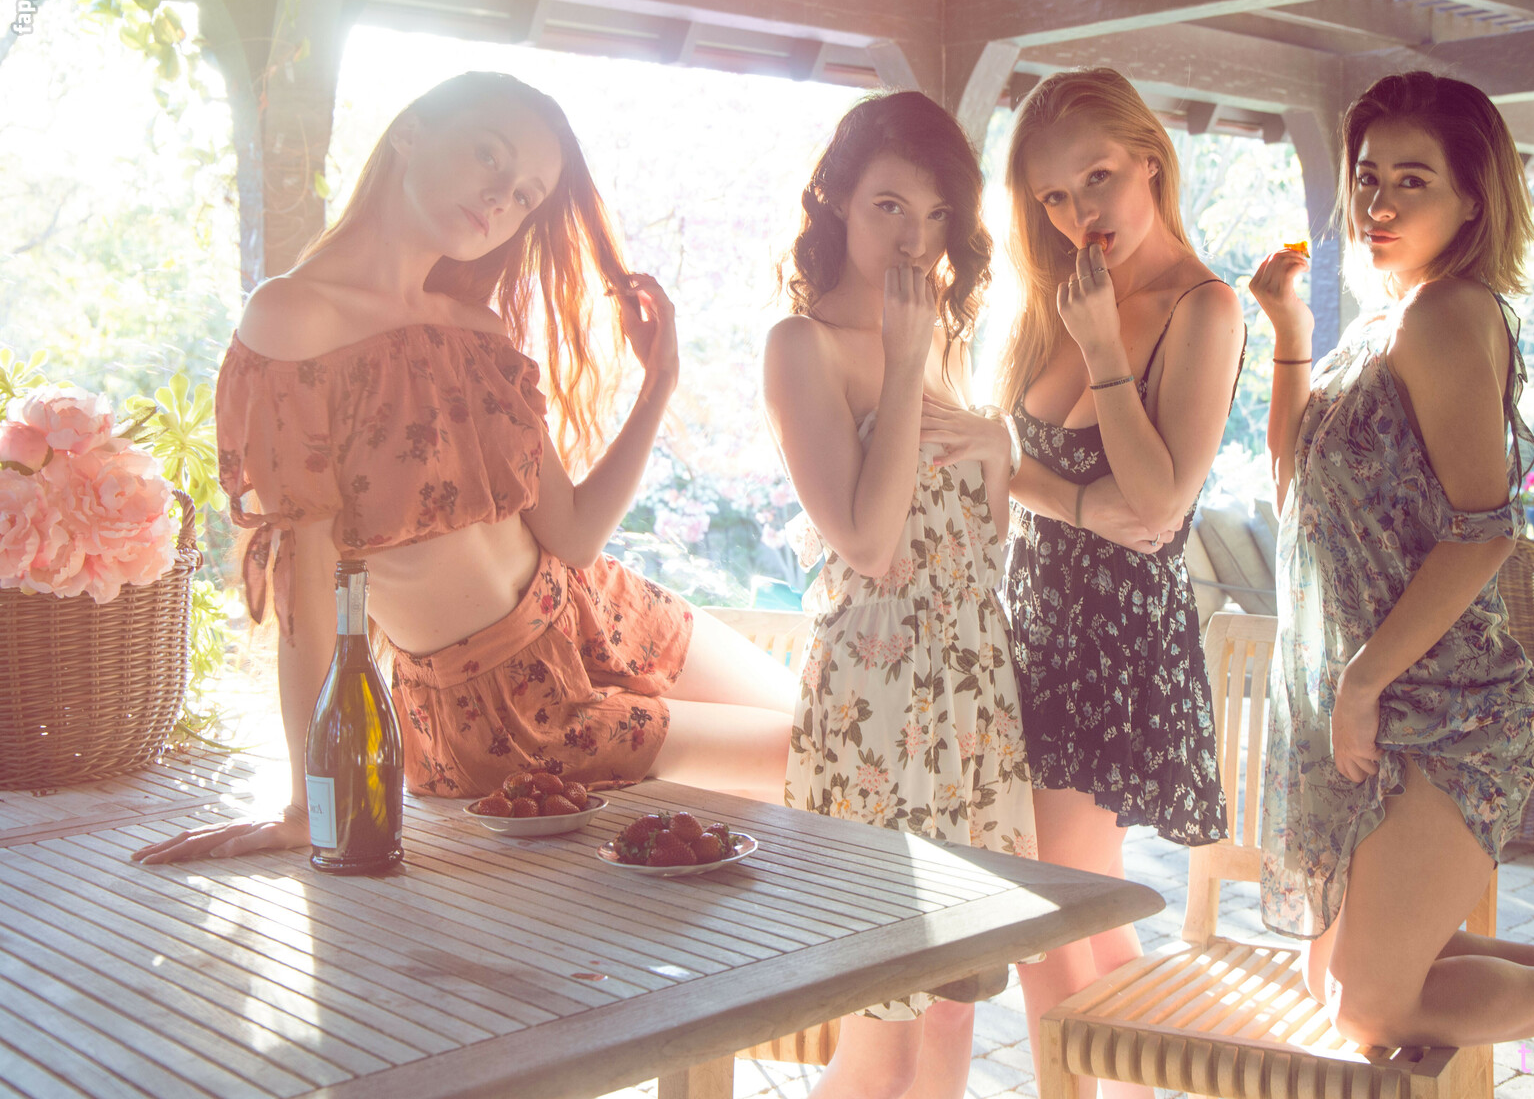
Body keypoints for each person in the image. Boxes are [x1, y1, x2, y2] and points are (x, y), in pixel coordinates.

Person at [134, 72, 797, 865]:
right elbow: (307, 592)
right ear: (411, 131)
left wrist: (659, 383)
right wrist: (308, 806)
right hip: (503, 703)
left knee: (835, 727)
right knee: (813, 757)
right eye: (488, 156)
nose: (499, 199)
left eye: (524, 196)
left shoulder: (478, 330)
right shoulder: (294, 316)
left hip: (596, 605)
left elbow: (574, 536)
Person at [1251, 70, 1534, 1099]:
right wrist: (1288, 333)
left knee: (1372, 1006)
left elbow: (1484, 532)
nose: (1376, 203)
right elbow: (1295, 490)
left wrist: (1362, 683)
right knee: (1337, 983)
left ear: (1472, 199)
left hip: (1442, 707)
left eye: (1410, 180)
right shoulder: (1385, 320)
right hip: (1376, 698)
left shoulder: (1447, 314)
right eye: (1367, 177)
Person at [762, 90, 1037, 1099]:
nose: (915, 241)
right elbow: (870, 544)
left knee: (958, 1001)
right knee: (885, 1029)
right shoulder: (804, 346)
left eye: (934, 215)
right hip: (878, 700)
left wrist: (999, 442)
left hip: (971, 689)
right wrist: (908, 358)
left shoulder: (947, 340)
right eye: (888, 206)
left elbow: (983, 544)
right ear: (837, 199)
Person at [994, 67, 1244, 1092]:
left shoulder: (1203, 307)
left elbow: (1159, 505)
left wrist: (1103, 353)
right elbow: (999, 460)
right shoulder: (1058, 296)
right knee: (1074, 906)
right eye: (1054, 195)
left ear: (1149, 158)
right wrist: (1078, 501)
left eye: (1096, 177)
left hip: (1115, 641)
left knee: (1039, 910)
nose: (1078, 214)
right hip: (1032, 624)